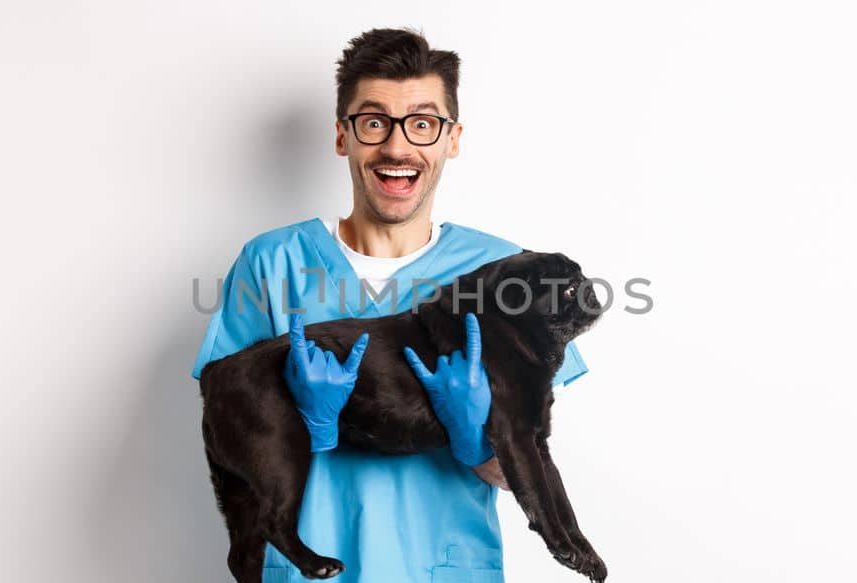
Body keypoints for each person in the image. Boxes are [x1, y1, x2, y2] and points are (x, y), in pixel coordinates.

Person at [191, 28, 588, 583]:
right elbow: (228, 416)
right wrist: (306, 422)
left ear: (451, 138)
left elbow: (523, 460)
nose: (398, 148)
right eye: (374, 122)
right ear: (342, 136)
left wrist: (475, 436)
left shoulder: (509, 272)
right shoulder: (271, 264)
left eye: (423, 124)